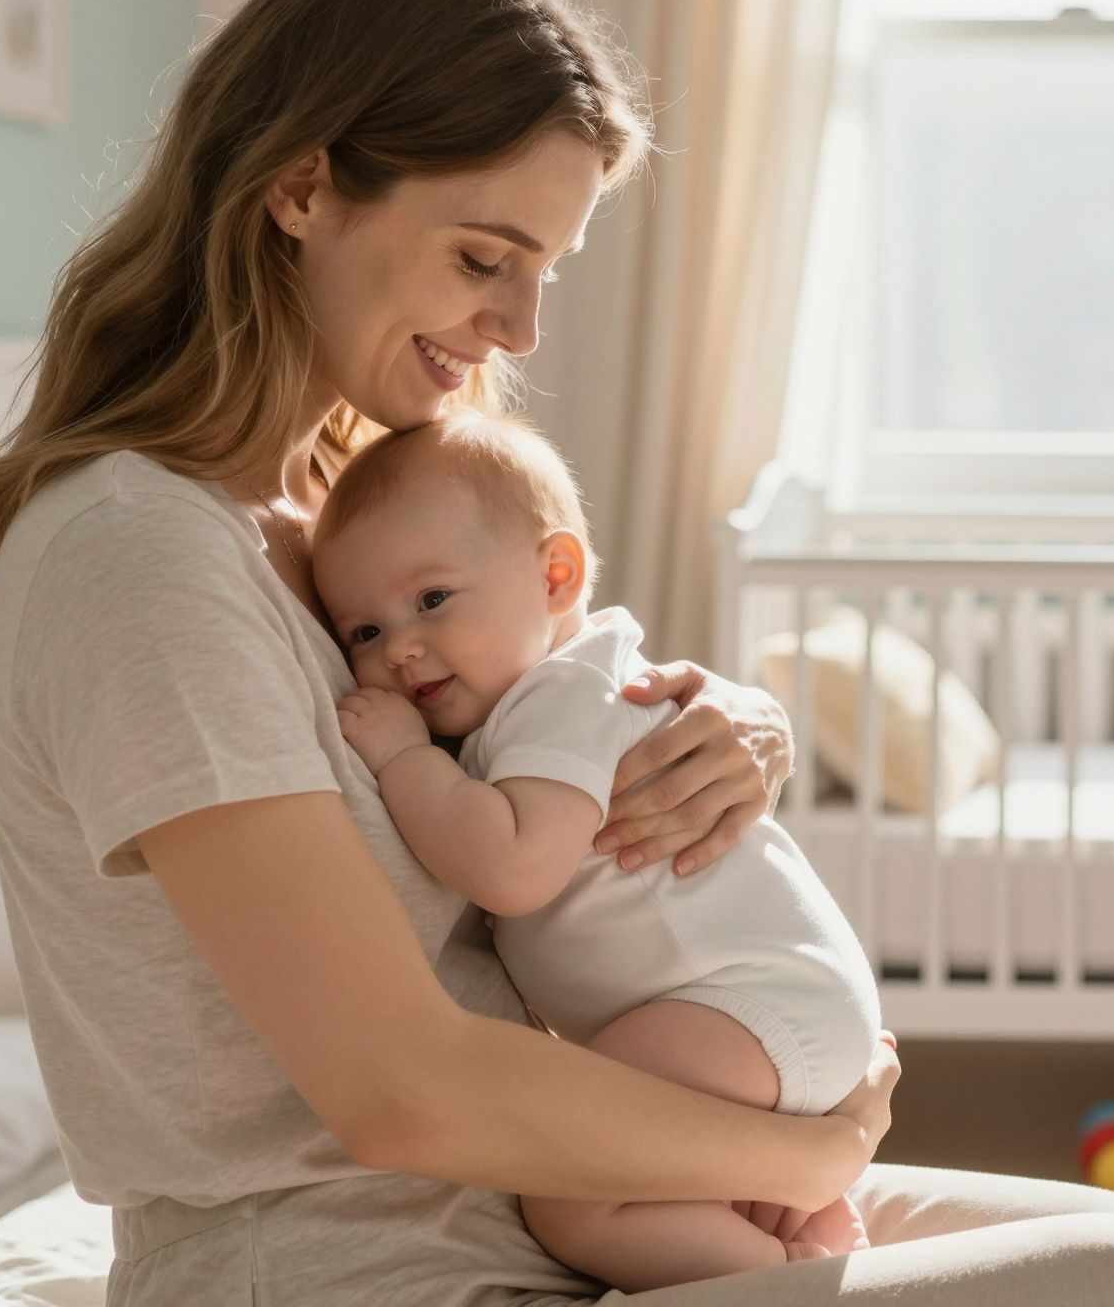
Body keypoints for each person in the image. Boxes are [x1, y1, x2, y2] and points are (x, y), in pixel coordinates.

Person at [0, 0, 1114, 1305]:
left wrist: (729, 727)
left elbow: (545, 710)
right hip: (373, 1259)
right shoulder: (138, 554)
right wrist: (810, 1149)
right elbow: (397, 1094)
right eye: (481, 259)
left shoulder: (336, 519)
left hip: (541, 1187)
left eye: (544, 273)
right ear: (300, 187)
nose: (520, 329)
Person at [312, 410, 882, 1287]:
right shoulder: (534, 701)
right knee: (633, 1159)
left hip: (746, 1004)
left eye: (431, 600)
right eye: (364, 632)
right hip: (763, 1008)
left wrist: (399, 759)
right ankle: (782, 1207)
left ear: (556, 575)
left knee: (574, 1198)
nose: (401, 648)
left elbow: (513, 869)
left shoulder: (561, 696)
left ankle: (782, 1272)